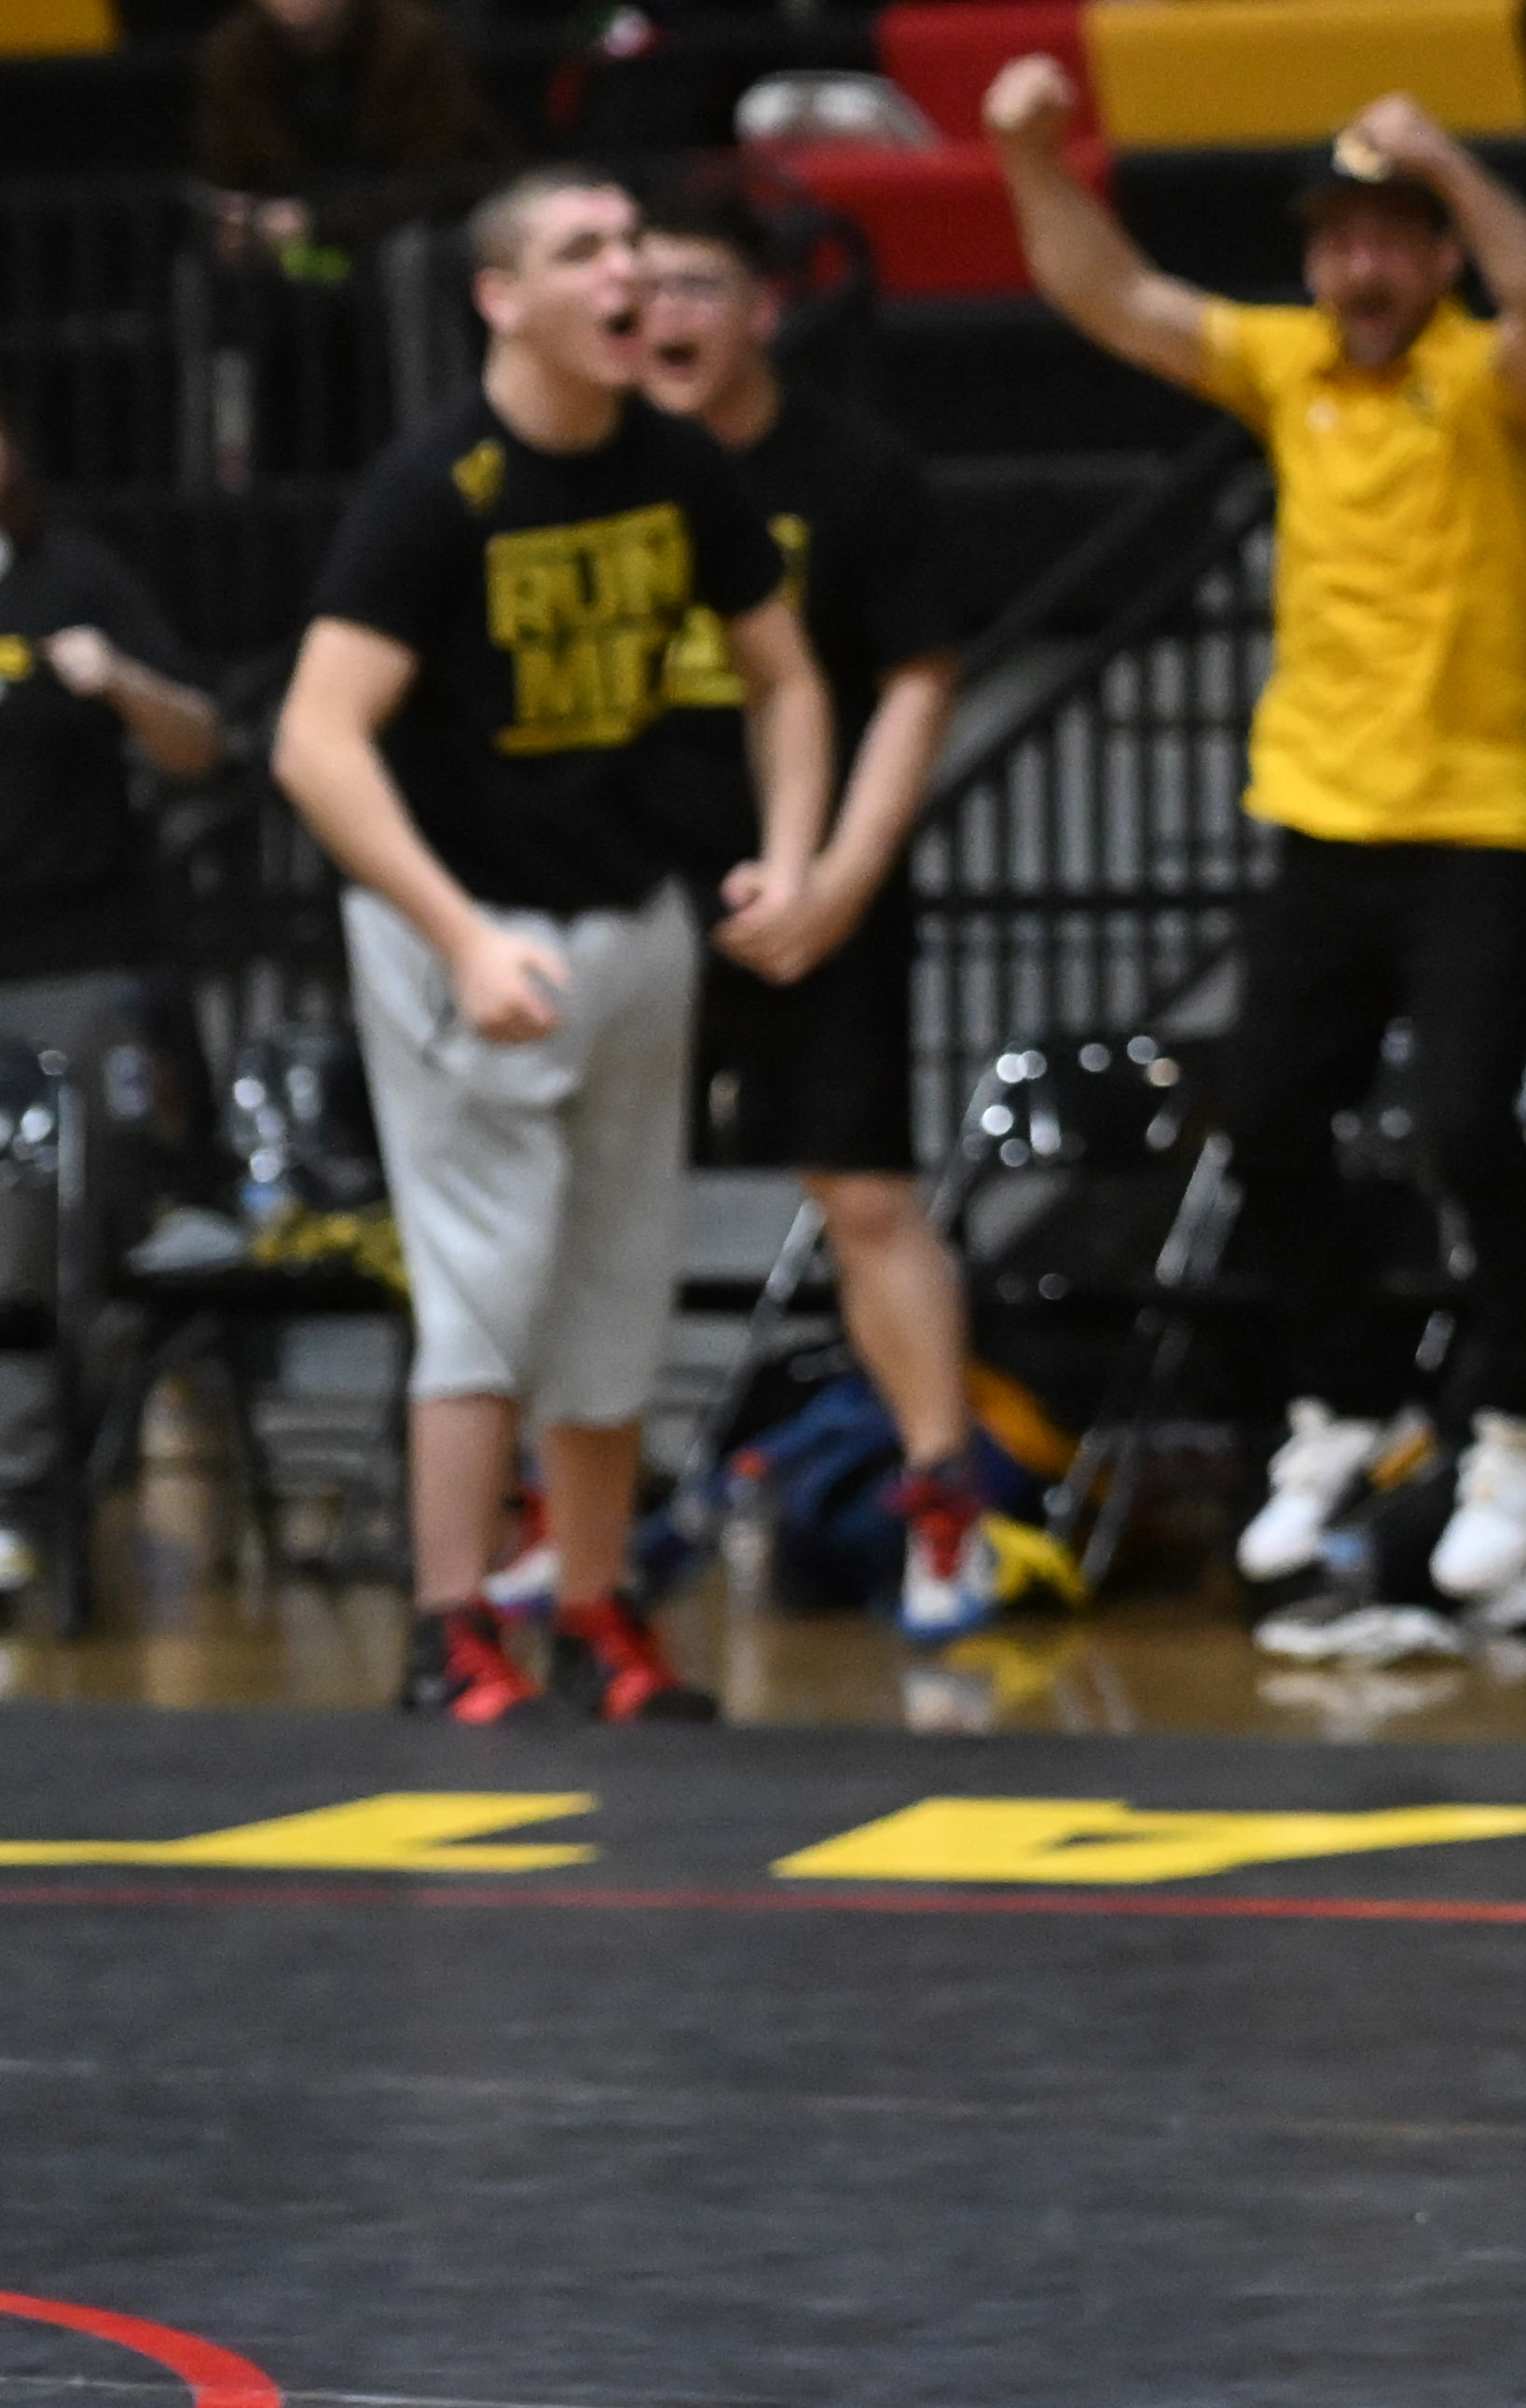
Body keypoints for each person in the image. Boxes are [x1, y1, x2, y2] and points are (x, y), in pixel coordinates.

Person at [988, 61, 1526, 1614]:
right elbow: (1105, 293)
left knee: (1466, 1123)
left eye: (1390, 239)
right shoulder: (1286, 366)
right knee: (1262, 1121)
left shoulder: (1488, 380)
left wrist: (1449, 164)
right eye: (1337, 242)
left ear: (1435, 253)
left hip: (1482, 819)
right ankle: (1348, 1407)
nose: (1359, 266)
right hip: (1321, 821)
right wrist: (1025, 157)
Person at [271, 164, 835, 1726]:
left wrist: (787, 856)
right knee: (485, 1286)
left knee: (617, 1282)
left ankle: (595, 1609)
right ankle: (452, 1621)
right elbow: (316, 742)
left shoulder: (674, 463)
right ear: (500, 297)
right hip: (464, 918)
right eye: (585, 253)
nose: (628, 280)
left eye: (639, 253)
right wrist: (455, 936)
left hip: (633, 912)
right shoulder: (435, 482)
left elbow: (784, 677)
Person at [631, 189, 993, 1643]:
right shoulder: (587, 471)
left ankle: (942, 1508)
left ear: (762, 307)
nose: (664, 315)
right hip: (633, 892)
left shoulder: (852, 472)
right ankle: (587, 1509)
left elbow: (918, 678)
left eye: (698, 283)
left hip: (823, 887)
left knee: (864, 1197)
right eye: (643, 286)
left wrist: (838, 876)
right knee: (595, 1211)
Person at [0, 390, 225, 1602]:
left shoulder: (70, 579)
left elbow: (198, 744)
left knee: (52, 1238)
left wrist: (122, 681)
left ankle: (30, 1493)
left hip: (69, 966)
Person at [192, 0, 506, 256]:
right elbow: (229, 163)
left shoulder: (410, 39)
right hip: (283, 231)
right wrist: (246, 215)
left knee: (411, 252)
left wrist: (316, 221)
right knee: (217, 253)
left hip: (403, 221)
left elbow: (432, 173)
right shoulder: (235, 51)